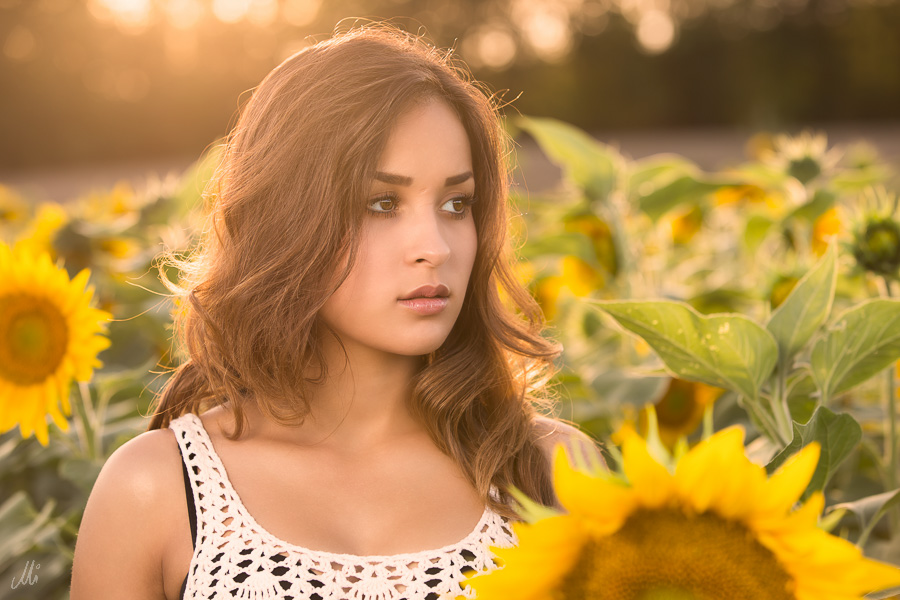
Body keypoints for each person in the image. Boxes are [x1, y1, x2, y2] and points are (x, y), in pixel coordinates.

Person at [70, 23, 603, 600]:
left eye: (457, 203)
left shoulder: (551, 472)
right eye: (381, 203)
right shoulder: (157, 489)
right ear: (286, 219)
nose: (435, 246)